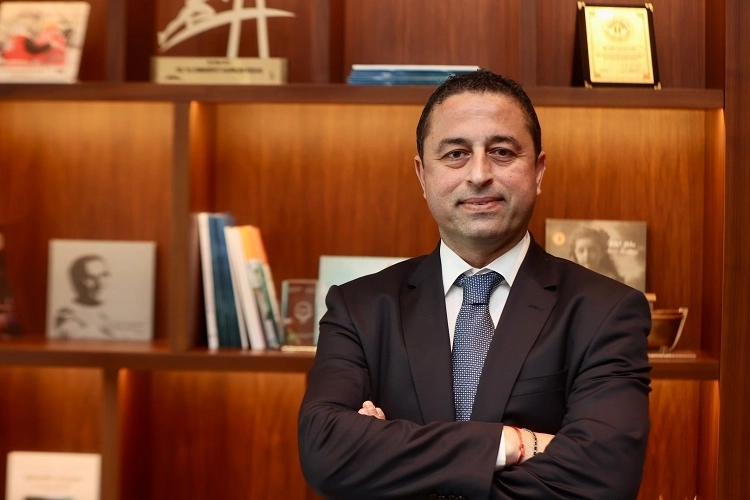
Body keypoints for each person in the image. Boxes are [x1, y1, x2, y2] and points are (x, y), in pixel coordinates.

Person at [298, 70, 651, 499]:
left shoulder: (606, 311)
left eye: (502, 152)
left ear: (538, 170)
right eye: (456, 154)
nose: (479, 173)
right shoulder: (359, 307)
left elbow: (605, 477)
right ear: (422, 175)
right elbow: (325, 449)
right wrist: (510, 442)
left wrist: (387, 455)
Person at [52, 254, 113, 339]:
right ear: (76, 281)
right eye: (91, 277)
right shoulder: (67, 316)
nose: (100, 283)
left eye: (104, 275)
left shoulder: (116, 310)